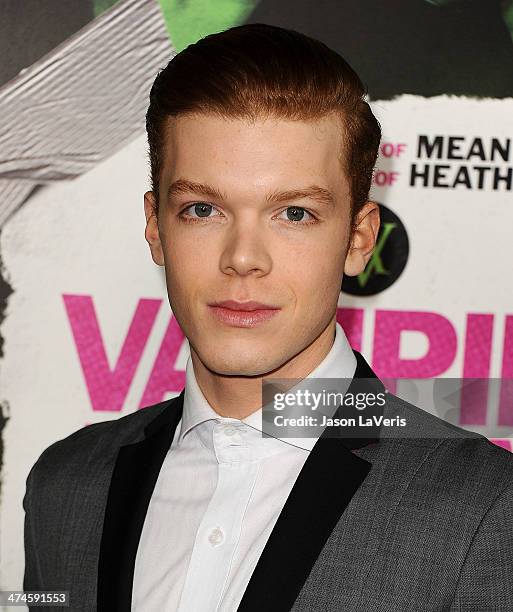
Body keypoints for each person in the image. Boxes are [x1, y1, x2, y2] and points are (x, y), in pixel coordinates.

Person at [23, 23, 513, 612]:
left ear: (359, 240)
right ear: (156, 226)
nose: (243, 259)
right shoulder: (66, 485)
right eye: (202, 209)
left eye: (295, 214)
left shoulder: (486, 509)